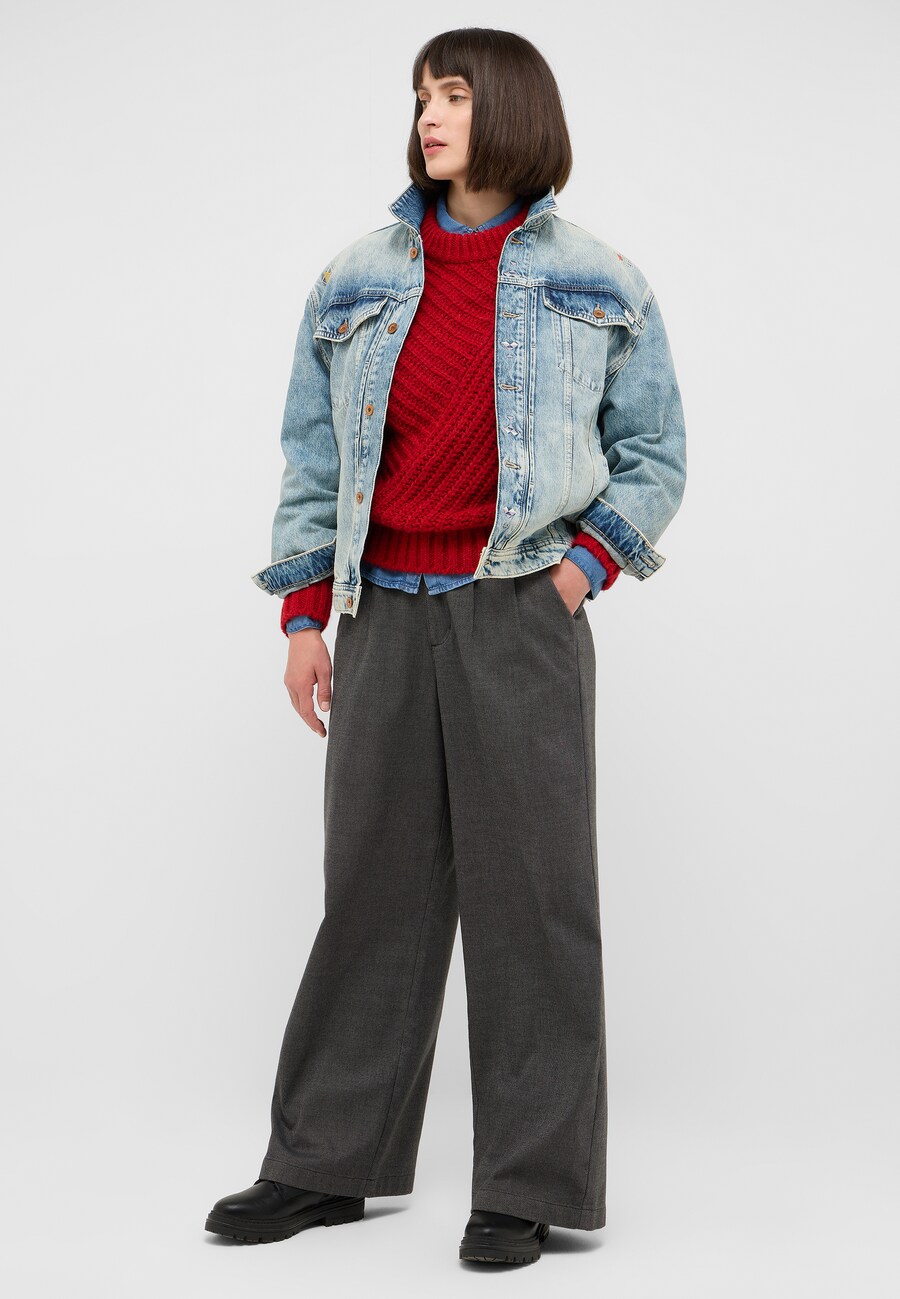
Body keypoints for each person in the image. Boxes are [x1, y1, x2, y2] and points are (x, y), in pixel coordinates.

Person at [205, 27, 687, 1267]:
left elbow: (655, 456)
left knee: (535, 899)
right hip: (379, 611)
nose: (431, 115)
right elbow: (313, 461)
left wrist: (577, 576)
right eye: (423, 95)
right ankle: (324, 1164)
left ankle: (527, 1185)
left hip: (519, 607)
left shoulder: (598, 277)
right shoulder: (354, 277)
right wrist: (303, 615)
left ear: (512, 110)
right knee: (370, 888)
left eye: (457, 95)